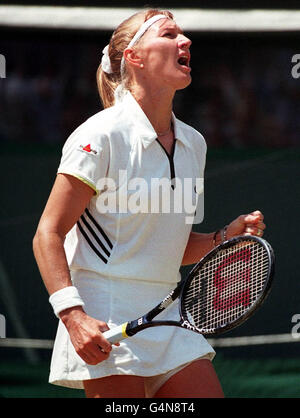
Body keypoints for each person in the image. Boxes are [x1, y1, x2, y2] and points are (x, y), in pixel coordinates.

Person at [33, 9, 266, 398]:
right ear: (134, 58)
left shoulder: (195, 143)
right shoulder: (99, 136)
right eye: (169, 34)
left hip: (170, 319)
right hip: (104, 316)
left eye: (184, 35)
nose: (185, 41)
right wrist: (72, 315)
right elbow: (48, 233)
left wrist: (225, 236)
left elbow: (165, 249)